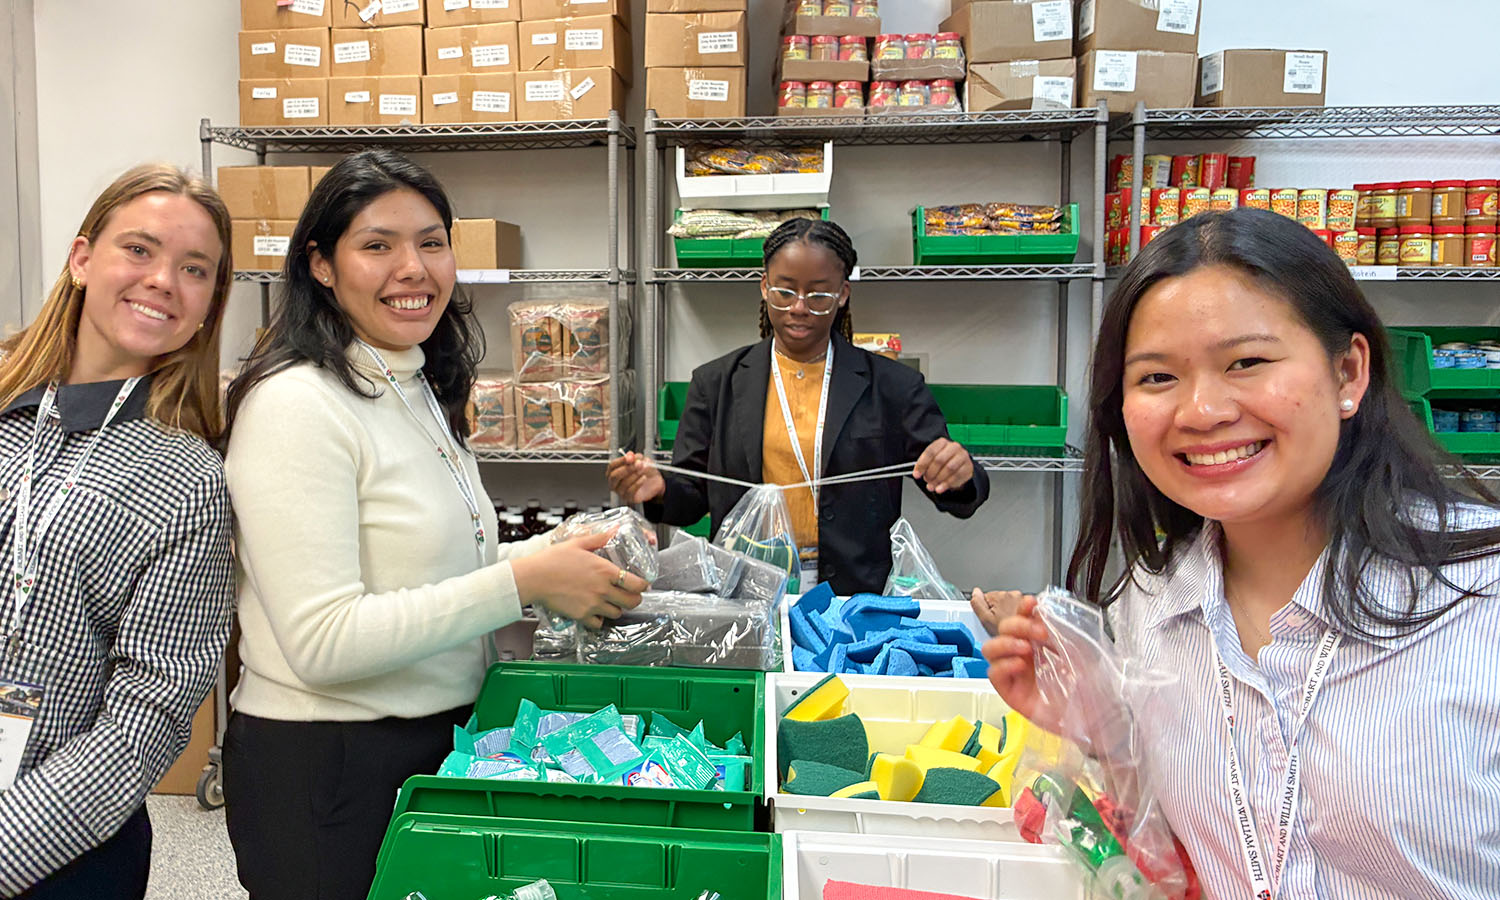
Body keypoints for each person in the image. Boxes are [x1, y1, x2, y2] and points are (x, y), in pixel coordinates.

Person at [981, 207, 1500, 898]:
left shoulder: (1481, 601)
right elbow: (1183, 852)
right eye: (1157, 378)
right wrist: (1102, 731)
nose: (1202, 411)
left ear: (1348, 373)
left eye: (1246, 362)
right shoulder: (1149, 602)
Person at [221, 150, 647, 900]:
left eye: (431, 242)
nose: (413, 269)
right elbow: (323, 642)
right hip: (328, 766)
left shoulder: (414, 381)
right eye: (377, 245)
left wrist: (551, 553)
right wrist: (523, 583)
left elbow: (429, 570)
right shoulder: (296, 404)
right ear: (321, 265)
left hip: (430, 739)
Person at [0, 165, 236, 898]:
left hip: (54, 850)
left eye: (194, 269)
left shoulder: (186, 477)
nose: (163, 280)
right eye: (139, 250)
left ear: (208, 303)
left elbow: (150, 709)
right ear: (81, 259)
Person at [608, 217, 989, 595]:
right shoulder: (716, 382)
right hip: (746, 592)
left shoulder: (893, 386)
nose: (799, 307)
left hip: (853, 597)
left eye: (819, 295)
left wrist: (959, 473)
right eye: (785, 292)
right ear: (764, 286)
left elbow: (959, 491)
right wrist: (659, 489)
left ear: (842, 294)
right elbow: (691, 499)